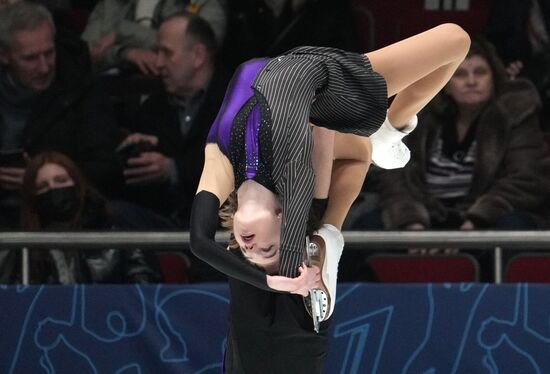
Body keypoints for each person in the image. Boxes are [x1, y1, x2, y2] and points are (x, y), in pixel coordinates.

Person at [190, 23, 471, 289]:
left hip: (293, 64)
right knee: (456, 40)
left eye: (248, 254)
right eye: (268, 249)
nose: (251, 249)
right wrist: (313, 246)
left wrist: (268, 282)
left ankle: (386, 134)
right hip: (325, 81)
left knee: (365, 147)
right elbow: (345, 147)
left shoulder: (220, 167)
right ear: (283, 221)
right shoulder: (294, 169)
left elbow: (200, 242)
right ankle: (331, 234)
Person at [377, 37, 550, 278]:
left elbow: (527, 179)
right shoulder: (421, 118)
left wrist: (476, 222)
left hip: (485, 222)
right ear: (445, 83)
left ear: (494, 78)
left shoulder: (516, 115)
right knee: (369, 224)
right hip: (429, 219)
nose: (471, 81)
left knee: (512, 228)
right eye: (460, 75)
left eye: (480, 73)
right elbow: (395, 175)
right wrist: (411, 222)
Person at [0, 1, 123, 228]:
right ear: (4, 56)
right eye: (30, 58)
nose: (44, 66)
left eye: (49, 53)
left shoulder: (81, 89)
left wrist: (49, 180)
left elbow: (107, 169)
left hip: (65, 217)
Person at [114, 12, 230, 230]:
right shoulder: (150, 109)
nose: (158, 63)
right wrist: (136, 152)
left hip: (225, 227)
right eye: (157, 53)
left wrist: (173, 169)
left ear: (198, 56)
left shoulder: (239, 102)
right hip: (167, 222)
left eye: (166, 53)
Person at [0, 151, 159, 284]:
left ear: (77, 184)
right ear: (32, 198)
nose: (53, 189)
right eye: (42, 187)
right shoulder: (21, 246)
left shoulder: (116, 232)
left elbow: (144, 289)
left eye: (61, 180)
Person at [81, 0, 227, 74]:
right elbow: (85, 54)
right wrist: (125, 53)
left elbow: (197, 45)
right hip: (112, 95)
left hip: (173, 100)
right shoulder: (112, 3)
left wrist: (122, 31)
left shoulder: (192, 3)